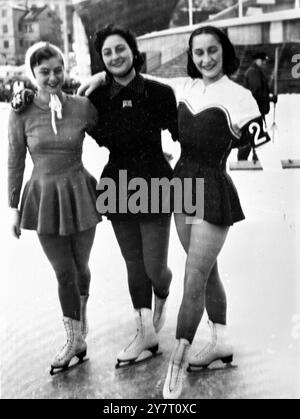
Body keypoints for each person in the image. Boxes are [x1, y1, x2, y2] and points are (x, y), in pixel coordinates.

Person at [79, 25, 269, 398]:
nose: (206, 59)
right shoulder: (185, 87)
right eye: (198, 53)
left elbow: (262, 144)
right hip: (180, 187)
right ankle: (220, 340)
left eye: (212, 51)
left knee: (193, 276)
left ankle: (178, 360)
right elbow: (136, 78)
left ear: (224, 52)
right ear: (191, 56)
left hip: (211, 190)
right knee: (207, 272)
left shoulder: (242, 96)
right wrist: (102, 73)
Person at [79, 24, 178, 368]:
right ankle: (144, 334)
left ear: (133, 51)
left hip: (154, 181)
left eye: (120, 49)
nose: (114, 57)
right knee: (133, 263)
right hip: (117, 183)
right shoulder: (94, 99)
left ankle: (163, 291)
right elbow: (57, 109)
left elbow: (186, 134)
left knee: (155, 267)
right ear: (100, 59)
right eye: (106, 53)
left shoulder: (161, 93)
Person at [8, 42, 102, 375]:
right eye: (44, 72)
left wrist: (103, 78)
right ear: (32, 74)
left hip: (79, 191)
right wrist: (13, 207)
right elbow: (15, 161)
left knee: (81, 267)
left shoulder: (82, 106)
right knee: (64, 272)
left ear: (65, 69)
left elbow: (112, 133)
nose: (52, 77)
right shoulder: (20, 110)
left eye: (58, 70)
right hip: (43, 196)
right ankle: (74, 340)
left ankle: (81, 314)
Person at [238, 51, 276, 161]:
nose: (265, 63)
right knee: (252, 135)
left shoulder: (256, 71)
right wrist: (269, 98)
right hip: (252, 111)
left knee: (254, 136)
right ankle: (242, 162)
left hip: (254, 111)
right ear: (257, 60)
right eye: (263, 60)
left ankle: (253, 158)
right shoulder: (253, 73)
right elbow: (256, 93)